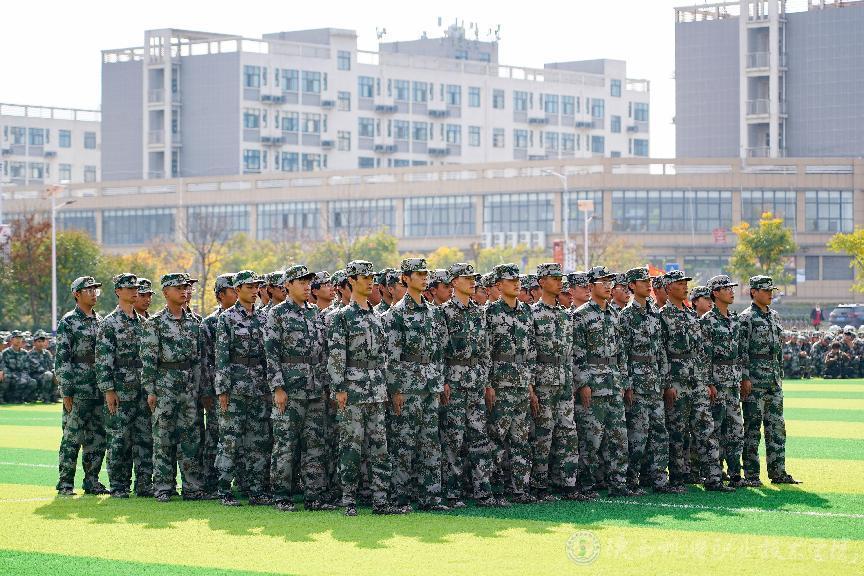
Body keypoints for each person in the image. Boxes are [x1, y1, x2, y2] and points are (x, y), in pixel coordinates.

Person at [327, 260, 406, 516]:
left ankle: (381, 500)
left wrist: (391, 388)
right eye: (364, 277)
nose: (370, 281)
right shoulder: (341, 317)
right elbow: (336, 356)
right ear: (351, 280)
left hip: (377, 390)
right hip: (352, 390)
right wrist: (339, 388)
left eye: (371, 277)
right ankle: (348, 499)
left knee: (380, 447)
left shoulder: (376, 317)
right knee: (351, 446)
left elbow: (384, 358)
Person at [266, 265, 336, 511]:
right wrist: (278, 388)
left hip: (314, 389)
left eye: (308, 282)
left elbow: (323, 353)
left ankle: (314, 496)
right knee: (285, 444)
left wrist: (326, 385)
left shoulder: (314, 313)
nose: (307, 286)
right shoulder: (277, 314)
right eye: (301, 282)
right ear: (288, 285)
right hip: (290, 389)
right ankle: (281, 496)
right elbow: (271, 354)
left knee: (314, 444)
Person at [383, 258, 448, 511]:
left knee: (430, 442)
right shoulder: (396, 314)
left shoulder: (433, 312)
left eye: (425, 274)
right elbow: (392, 356)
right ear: (405, 278)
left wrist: (440, 381)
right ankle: (400, 497)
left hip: (430, 385)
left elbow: (439, 351)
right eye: (418, 274)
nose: (424, 278)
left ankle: (431, 496)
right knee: (404, 442)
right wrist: (396, 389)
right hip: (408, 387)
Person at [659, 270, 732, 492]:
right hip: (677, 382)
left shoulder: (692, 316)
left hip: (697, 381)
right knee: (677, 433)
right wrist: (667, 384)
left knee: (707, 430)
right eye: (680, 284)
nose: (685, 287)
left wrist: (708, 381)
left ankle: (714, 479)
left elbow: (702, 352)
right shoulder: (662, 316)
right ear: (669, 288)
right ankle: (678, 479)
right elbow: (661, 352)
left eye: (685, 283)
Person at [140, 273, 206, 502]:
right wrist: (150, 390)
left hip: (188, 388)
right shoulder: (155, 323)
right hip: (164, 387)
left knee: (190, 438)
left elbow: (198, 359)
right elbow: (148, 361)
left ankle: (192, 487)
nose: (184, 291)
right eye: (178, 288)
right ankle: (163, 486)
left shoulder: (195, 322)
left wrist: (197, 388)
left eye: (186, 287)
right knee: (163, 438)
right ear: (166, 292)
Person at [573, 266, 634, 498]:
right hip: (594, 385)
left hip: (614, 383)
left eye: (610, 282)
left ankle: (618, 483)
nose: (608, 286)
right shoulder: (581, 315)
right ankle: (586, 485)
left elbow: (621, 353)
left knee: (619, 438)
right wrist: (583, 383)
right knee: (591, 438)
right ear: (591, 287)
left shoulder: (614, 314)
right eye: (603, 282)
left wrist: (625, 383)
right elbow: (577, 353)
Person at [439, 263, 497, 508]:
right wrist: (443, 380)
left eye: (474, 278)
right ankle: (452, 494)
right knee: (453, 439)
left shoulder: (478, 312)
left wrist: (487, 382)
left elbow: (485, 351)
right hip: (453, 382)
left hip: (475, 383)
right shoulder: (443, 312)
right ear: (454, 282)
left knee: (479, 438)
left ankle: (483, 492)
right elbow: (439, 351)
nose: (473, 281)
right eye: (467, 278)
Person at [619, 267, 680, 494]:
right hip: (637, 384)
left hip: (654, 383)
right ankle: (631, 480)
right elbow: (622, 354)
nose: (648, 284)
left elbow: (661, 351)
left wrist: (666, 383)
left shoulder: (655, 313)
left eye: (649, 281)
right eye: (642, 281)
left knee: (660, 433)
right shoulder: (626, 316)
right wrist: (627, 385)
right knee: (637, 435)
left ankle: (659, 480)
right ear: (632, 286)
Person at [214, 271, 272, 506]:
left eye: (256, 286)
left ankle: (255, 489)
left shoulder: (264, 318)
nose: (254, 291)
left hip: (258, 387)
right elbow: (221, 357)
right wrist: (222, 390)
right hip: (235, 388)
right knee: (230, 439)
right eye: (249, 287)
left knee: (258, 440)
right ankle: (223, 489)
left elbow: (268, 356)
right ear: (238, 290)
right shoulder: (227, 318)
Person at [738, 275, 800, 486]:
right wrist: (745, 377)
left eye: (771, 290)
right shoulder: (746, 318)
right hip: (755, 382)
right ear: (753, 292)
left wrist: (779, 374)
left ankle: (778, 472)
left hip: (773, 381)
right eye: (765, 290)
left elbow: (778, 351)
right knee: (752, 429)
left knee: (777, 428)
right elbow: (742, 351)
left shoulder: (774, 316)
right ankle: (751, 475)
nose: (769, 294)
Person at [96, 273, 153, 498]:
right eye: (129, 288)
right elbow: (103, 360)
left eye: (136, 288)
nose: (134, 291)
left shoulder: (145, 323)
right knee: (119, 438)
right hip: (121, 390)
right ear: (118, 291)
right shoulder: (109, 323)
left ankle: (144, 483)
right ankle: (119, 485)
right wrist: (108, 390)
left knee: (145, 437)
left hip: (142, 389)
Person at [530, 263, 581, 501]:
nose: (560, 282)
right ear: (542, 282)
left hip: (564, 380)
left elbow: (570, 353)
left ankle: (568, 484)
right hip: (543, 382)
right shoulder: (532, 314)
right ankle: (540, 485)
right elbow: (529, 354)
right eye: (554, 278)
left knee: (568, 432)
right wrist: (531, 386)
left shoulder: (565, 314)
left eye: (560, 278)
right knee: (543, 433)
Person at [486, 263, 536, 504]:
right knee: (497, 438)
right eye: (511, 280)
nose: (517, 284)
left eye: (518, 280)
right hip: (501, 383)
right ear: (499, 285)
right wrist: (489, 384)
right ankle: (495, 489)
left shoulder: (526, 311)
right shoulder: (490, 312)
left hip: (521, 383)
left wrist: (530, 384)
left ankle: (520, 489)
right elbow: (486, 351)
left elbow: (531, 351)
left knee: (521, 439)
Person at [56, 276, 108, 496]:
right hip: (78, 389)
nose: (94, 293)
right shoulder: (68, 321)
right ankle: (65, 483)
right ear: (76, 294)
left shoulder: (101, 321)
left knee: (98, 437)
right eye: (89, 290)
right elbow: (62, 359)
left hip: (99, 388)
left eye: (95, 290)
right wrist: (67, 390)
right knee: (72, 437)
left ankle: (92, 481)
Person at [700, 275, 745, 487]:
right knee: (714, 430)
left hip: (733, 383)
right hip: (716, 384)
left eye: (732, 288)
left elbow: (740, 352)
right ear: (715, 293)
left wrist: (743, 377)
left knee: (735, 430)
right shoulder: (707, 321)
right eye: (726, 288)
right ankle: (714, 476)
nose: (731, 292)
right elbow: (704, 356)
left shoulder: (734, 319)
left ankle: (735, 475)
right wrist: (709, 383)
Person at [200, 273, 236, 495]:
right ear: (220, 295)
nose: (237, 293)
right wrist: (207, 391)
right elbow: (206, 361)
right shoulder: (211, 323)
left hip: (239, 386)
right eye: (232, 290)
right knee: (215, 435)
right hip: (217, 389)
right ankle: (210, 482)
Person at [28, 330, 57, 403]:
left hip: (46, 375)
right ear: (34, 342)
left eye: (43, 341)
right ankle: (45, 398)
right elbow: (38, 368)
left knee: (56, 373)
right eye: (39, 341)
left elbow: (51, 366)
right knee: (48, 374)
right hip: (34, 376)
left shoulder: (47, 353)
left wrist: (54, 371)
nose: (41, 343)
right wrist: (51, 372)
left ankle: (54, 396)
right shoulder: (30, 354)